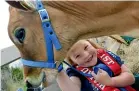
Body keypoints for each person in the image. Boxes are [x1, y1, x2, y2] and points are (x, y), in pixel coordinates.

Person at [56, 39, 135, 91]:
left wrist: (111, 81)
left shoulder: (106, 55)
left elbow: (131, 78)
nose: (86, 55)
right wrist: (58, 72)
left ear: (91, 43)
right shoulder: (75, 71)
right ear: (73, 61)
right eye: (77, 56)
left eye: (86, 47)